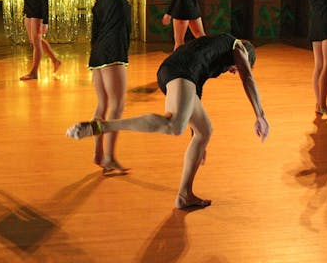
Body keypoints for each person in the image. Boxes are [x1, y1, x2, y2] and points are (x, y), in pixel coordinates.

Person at [67, 33, 270, 209]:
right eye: (238, 68)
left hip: (176, 71)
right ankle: (103, 127)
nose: (234, 71)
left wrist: (197, 137)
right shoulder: (238, 47)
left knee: (204, 130)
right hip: (181, 72)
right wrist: (260, 115)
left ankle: (184, 195)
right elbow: (248, 79)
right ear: (245, 54)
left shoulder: (216, 46)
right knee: (173, 126)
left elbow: (195, 88)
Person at [79, 0, 131, 173]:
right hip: (112, 53)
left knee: (103, 106)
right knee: (117, 108)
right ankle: (109, 157)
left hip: (98, 54)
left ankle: (99, 154)